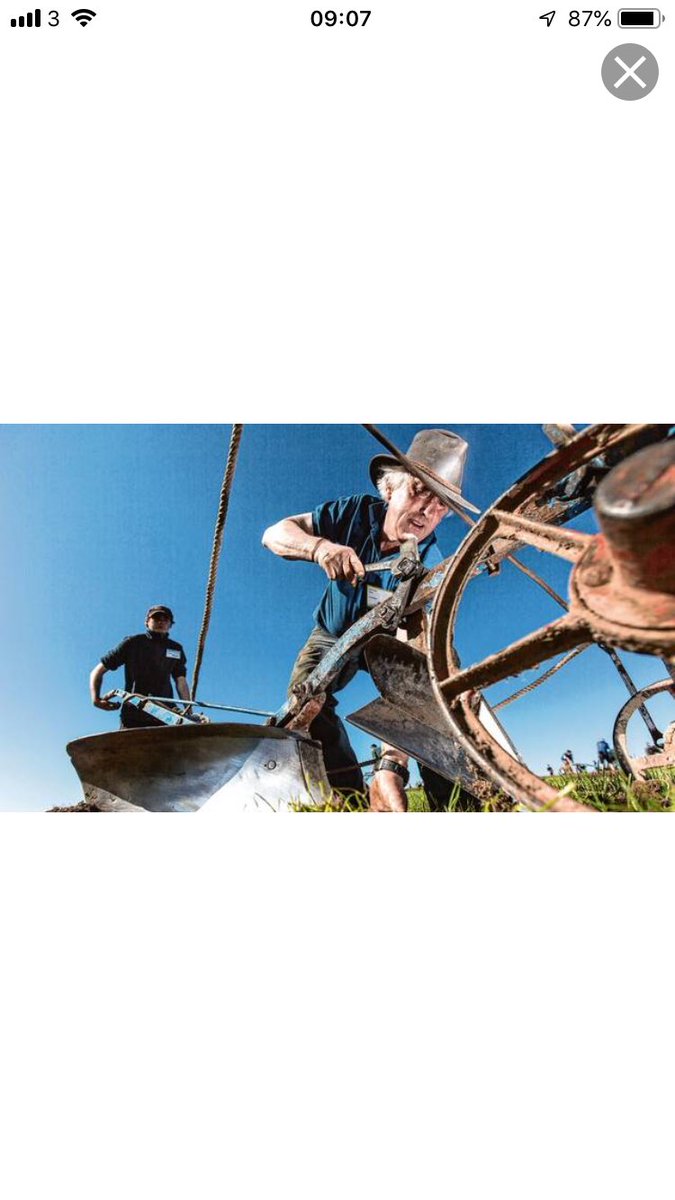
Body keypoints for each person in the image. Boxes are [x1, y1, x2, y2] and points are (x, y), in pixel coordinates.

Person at [262, 429, 479, 812]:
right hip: (333, 632)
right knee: (305, 699)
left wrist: (394, 759)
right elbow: (274, 534)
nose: (427, 510)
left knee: (442, 683)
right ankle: (350, 800)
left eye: (441, 504)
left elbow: (416, 647)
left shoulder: (431, 559)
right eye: (418, 491)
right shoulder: (353, 513)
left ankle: (453, 805)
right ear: (390, 489)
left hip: (392, 636)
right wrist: (320, 547)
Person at [89, 605, 191, 728]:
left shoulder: (176, 649)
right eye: (156, 618)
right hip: (133, 714)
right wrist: (96, 699)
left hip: (165, 715)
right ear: (147, 622)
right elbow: (97, 671)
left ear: (170, 624)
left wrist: (189, 711)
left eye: (165, 619)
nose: (161, 621)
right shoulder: (133, 642)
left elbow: (181, 682)